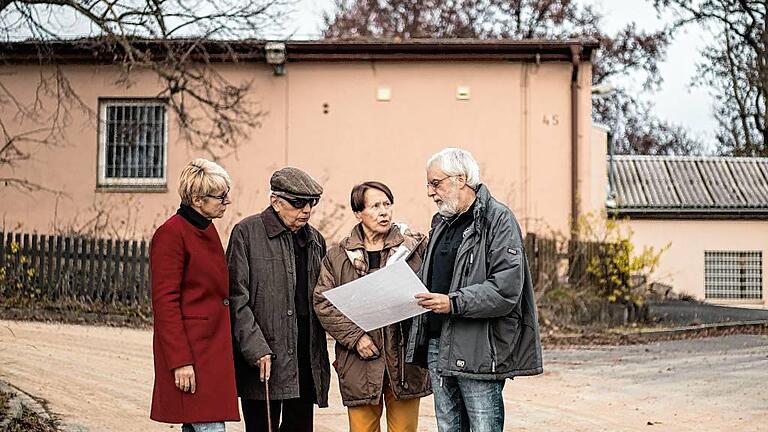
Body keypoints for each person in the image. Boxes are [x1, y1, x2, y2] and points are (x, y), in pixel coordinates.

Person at [407, 148, 543, 432]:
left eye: (436, 183)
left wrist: (453, 303)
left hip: (479, 347)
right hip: (438, 343)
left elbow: (506, 289)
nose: (430, 193)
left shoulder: (498, 220)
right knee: (448, 427)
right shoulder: (441, 223)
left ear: (461, 179)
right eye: (428, 185)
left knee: (483, 427)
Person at [314, 181, 432, 432]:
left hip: (404, 363)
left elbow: (433, 288)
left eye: (387, 204)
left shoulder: (414, 248)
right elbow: (323, 302)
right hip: (360, 362)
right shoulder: (338, 256)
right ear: (358, 213)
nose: (384, 212)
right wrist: (356, 338)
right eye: (375, 206)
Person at [227, 167, 331, 432]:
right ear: (275, 201)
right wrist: (255, 348)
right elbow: (236, 299)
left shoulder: (315, 240)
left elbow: (324, 297)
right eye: (298, 203)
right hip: (264, 356)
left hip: (305, 356)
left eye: (311, 203)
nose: (306, 210)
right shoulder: (246, 233)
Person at [149, 158, 239, 432]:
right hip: (192, 351)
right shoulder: (171, 234)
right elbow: (165, 302)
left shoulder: (205, 227)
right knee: (210, 426)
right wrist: (180, 362)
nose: (226, 202)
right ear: (198, 199)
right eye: (220, 197)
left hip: (212, 348)